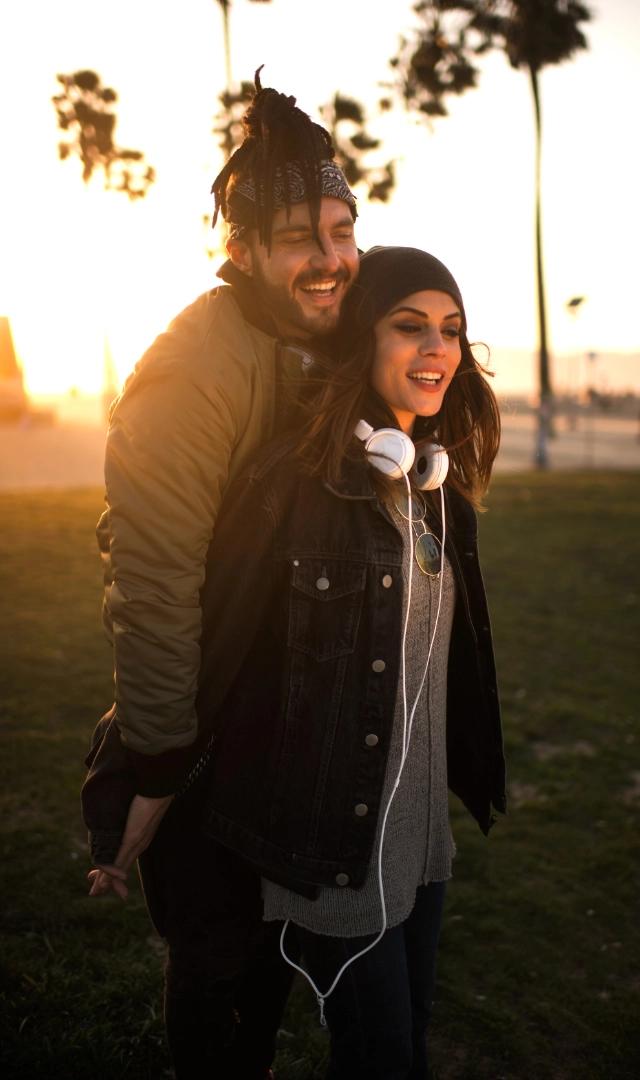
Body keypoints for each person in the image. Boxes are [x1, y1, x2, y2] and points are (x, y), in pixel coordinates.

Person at [82, 70, 359, 1079]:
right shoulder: (196, 366)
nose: (331, 260)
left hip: (297, 734)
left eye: (341, 228)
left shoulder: (319, 342)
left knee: (272, 968)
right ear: (241, 249)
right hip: (211, 745)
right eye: (300, 238)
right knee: (214, 967)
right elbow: (152, 581)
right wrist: (158, 757)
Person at [179, 245, 506, 1078]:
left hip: (423, 847)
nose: (437, 349)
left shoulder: (435, 487)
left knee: (411, 1042)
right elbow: (208, 650)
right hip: (335, 859)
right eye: (409, 327)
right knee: (383, 1061)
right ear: (363, 337)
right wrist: (134, 781)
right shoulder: (294, 486)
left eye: (452, 331)